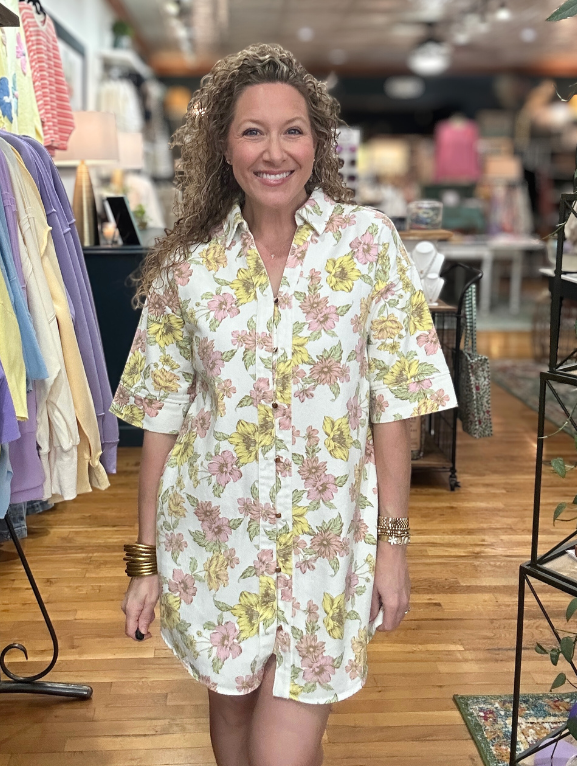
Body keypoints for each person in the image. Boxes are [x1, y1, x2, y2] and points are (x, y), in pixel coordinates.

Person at [110, 43, 456, 766]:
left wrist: (393, 547)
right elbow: (161, 419)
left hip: (324, 554)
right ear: (224, 149)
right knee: (232, 738)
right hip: (213, 547)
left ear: (318, 144)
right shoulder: (190, 268)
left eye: (292, 129)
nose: (275, 151)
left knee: (284, 755)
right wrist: (145, 562)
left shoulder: (368, 247)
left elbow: (396, 404)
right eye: (252, 131)